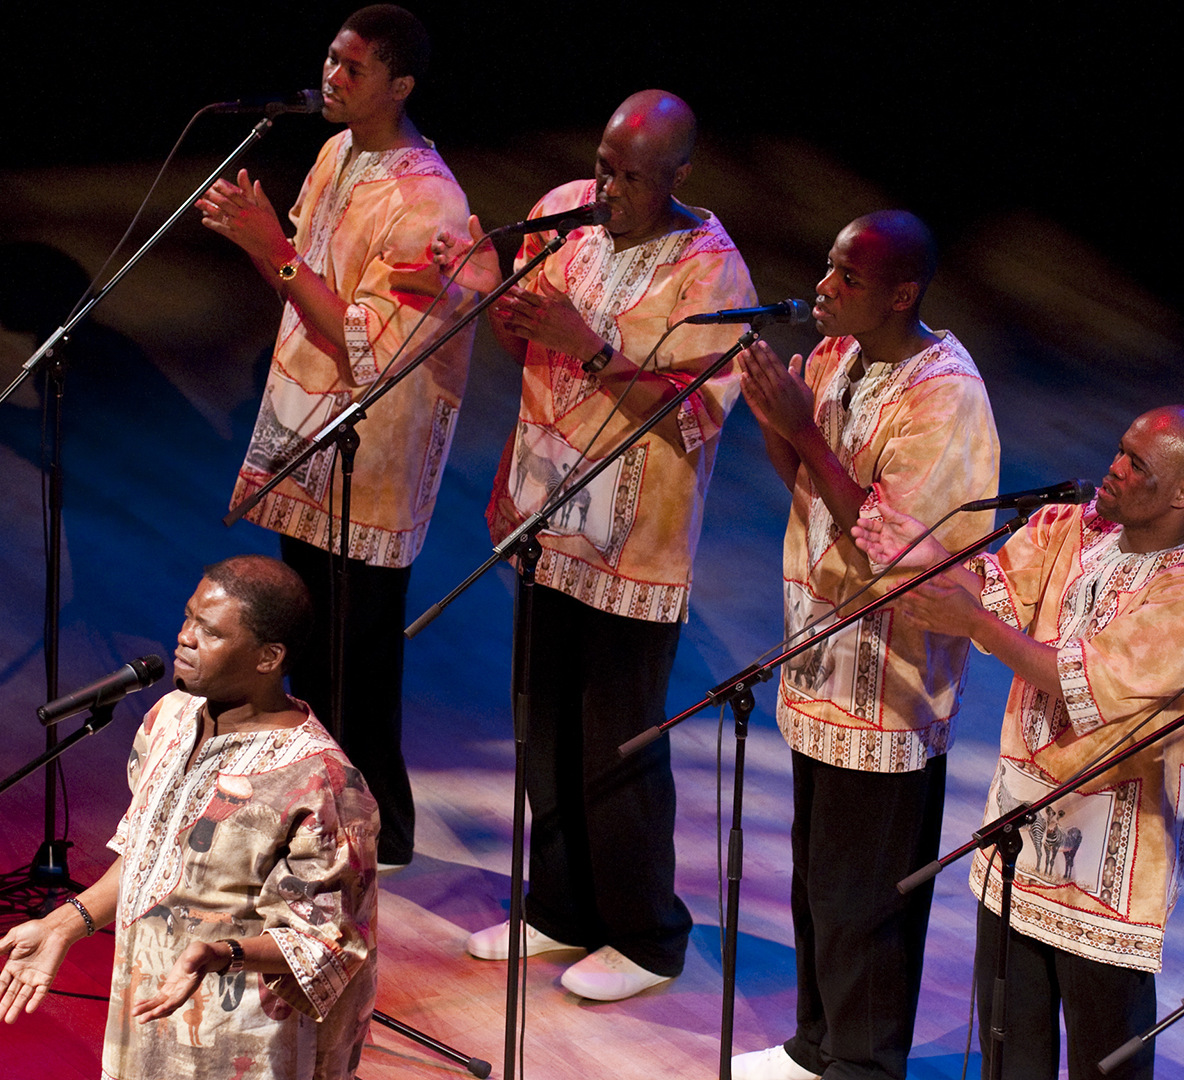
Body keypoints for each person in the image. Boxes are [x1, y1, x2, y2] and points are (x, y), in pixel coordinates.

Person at [439, 89, 757, 1001]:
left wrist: (588, 347)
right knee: (544, 727)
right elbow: (529, 350)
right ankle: (561, 909)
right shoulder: (558, 217)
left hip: (635, 545)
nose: (607, 188)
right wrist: (492, 304)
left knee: (615, 744)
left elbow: (696, 414)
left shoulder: (713, 272)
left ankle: (649, 936)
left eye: (631, 177)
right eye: (604, 165)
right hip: (548, 513)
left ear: (679, 176)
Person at [854, 404, 1184, 1080]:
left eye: (1136, 465)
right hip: (1020, 830)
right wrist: (929, 554)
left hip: (1109, 864)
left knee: (1103, 1060)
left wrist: (973, 623)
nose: (1113, 469)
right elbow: (998, 595)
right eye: (1120, 450)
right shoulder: (1073, 526)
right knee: (1009, 1044)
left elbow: (1076, 679)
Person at [198, 4, 474, 871]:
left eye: (353, 68)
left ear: (400, 86)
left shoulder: (428, 200)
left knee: (358, 661)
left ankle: (379, 830)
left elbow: (369, 347)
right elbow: (302, 283)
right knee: (311, 647)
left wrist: (268, 245)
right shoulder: (335, 151)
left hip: (372, 455)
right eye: (330, 59)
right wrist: (267, 244)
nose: (332, 77)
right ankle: (321, 812)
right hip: (312, 440)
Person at [727, 211, 1000, 1080]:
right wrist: (778, 417)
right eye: (829, 268)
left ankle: (864, 1063)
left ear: (901, 294)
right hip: (819, 653)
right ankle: (818, 1045)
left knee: (866, 891)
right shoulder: (837, 356)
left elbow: (902, 547)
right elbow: (810, 491)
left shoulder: (946, 396)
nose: (825, 288)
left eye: (848, 277)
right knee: (816, 878)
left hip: (890, 681)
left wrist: (804, 426)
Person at [0, 556, 380, 1080]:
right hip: (146, 1013)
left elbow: (328, 943)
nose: (183, 638)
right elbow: (151, 858)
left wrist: (220, 953)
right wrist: (63, 924)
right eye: (188, 617)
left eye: (209, 631)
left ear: (269, 656)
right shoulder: (168, 717)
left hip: (244, 1045)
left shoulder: (322, 784)